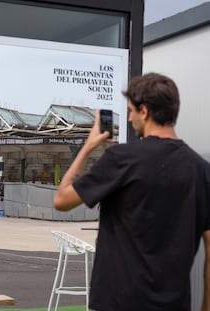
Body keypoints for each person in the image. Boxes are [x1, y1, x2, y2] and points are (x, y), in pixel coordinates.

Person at [53, 73, 210, 311]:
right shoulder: (202, 171)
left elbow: (62, 199)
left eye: (131, 111)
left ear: (144, 111)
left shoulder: (122, 159)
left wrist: (88, 146)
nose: (129, 118)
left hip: (118, 303)